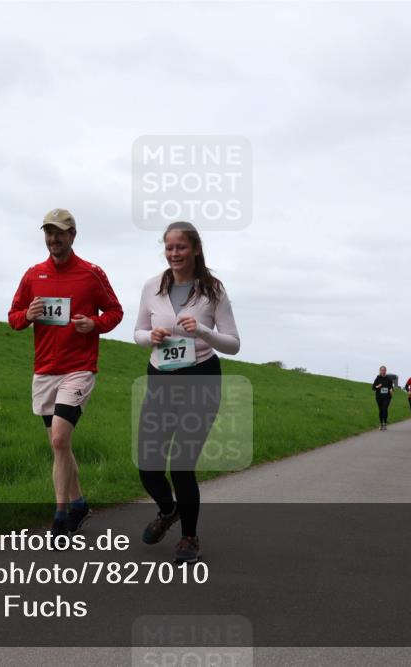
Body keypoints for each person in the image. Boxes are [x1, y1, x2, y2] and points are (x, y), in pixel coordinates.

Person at [8, 208, 123, 541]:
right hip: (45, 370)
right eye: (48, 233)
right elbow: (13, 318)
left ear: (73, 235)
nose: (53, 239)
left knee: (59, 438)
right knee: (61, 446)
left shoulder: (91, 274)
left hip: (79, 368)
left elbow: (115, 311)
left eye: (59, 233)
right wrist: (27, 314)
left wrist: (95, 324)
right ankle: (80, 504)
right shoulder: (33, 275)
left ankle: (59, 517)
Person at [134, 221, 240, 564]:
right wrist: (150, 337)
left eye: (180, 247)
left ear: (195, 249)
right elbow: (138, 330)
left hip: (201, 379)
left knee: (181, 465)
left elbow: (234, 344)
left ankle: (189, 538)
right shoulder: (152, 286)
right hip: (161, 378)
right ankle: (168, 511)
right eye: (169, 248)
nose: (174, 253)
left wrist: (205, 332)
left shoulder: (213, 290)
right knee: (148, 466)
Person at [372, 366, 395, 430]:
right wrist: (377, 386)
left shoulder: (389, 379)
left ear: (386, 371)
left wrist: (391, 390)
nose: (383, 371)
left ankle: (385, 423)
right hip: (379, 397)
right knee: (381, 410)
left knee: (384, 408)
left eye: (384, 370)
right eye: (382, 370)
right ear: (380, 371)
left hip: (387, 397)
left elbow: (392, 387)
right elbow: (373, 388)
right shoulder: (377, 378)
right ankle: (381, 424)